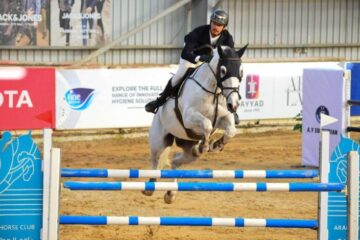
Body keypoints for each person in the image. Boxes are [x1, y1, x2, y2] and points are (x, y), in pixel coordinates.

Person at [145, 9, 240, 124]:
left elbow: (228, 58)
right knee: (179, 75)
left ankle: (232, 110)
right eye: (214, 23)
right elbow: (186, 53)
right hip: (192, 57)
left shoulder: (227, 38)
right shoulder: (199, 32)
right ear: (210, 22)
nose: (216, 27)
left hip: (211, 62)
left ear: (224, 27)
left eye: (219, 25)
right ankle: (159, 101)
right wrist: (200, 58)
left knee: (226, 80)